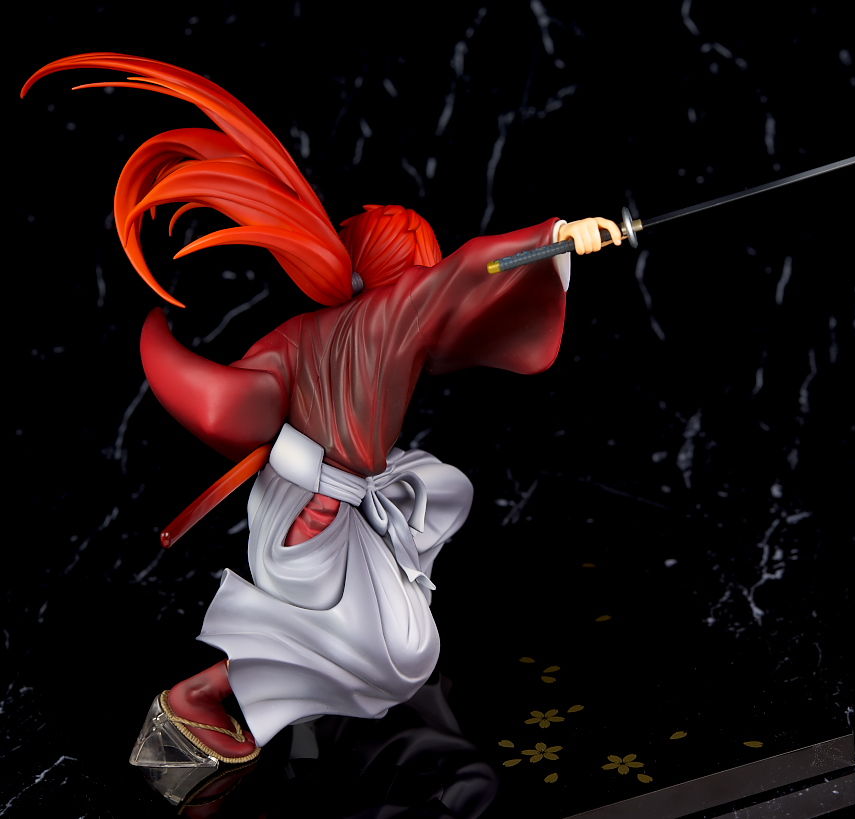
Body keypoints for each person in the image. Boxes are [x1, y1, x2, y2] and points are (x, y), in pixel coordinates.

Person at [23, 53, 621, 766]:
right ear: (402, 268)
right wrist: (561, 236)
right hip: (319, 511)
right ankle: (212, 709)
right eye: (420, 264)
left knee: (402, 594)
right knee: (399, 655)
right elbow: (468, 271)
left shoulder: (306, 330)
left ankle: (216, 709)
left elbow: (237, 401)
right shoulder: (391, 311)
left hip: (299, 505)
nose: (426, 279)